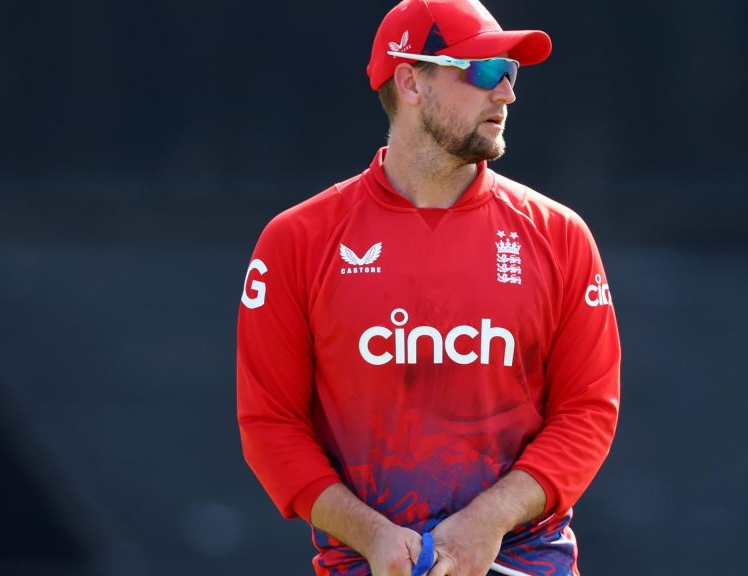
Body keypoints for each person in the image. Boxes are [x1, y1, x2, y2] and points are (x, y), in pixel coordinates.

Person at [236, 1, 621, 574]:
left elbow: (587, 413)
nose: (506, 93)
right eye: (484, 71)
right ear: (411, 82)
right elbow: (270, 427)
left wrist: (488, 521)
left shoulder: (559, 234)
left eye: (510, 72)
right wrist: (372, 535)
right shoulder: (297, 240)